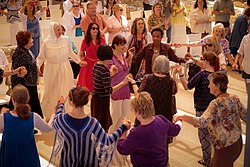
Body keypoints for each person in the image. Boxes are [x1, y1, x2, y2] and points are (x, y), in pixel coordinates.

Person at [174, 71, 246, 167]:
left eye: (210, 83)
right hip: (236, 143)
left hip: (224, 146)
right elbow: (245, 116)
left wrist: (182, 116)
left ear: (217, 85)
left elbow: (202, 122)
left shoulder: (215, 103)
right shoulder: (234, 98)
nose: (208, 86)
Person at [50, 86, 131, 167]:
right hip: (89, 162)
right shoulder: (92, 122)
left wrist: (61, 104)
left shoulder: (61, 119)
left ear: (71, 102)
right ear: (86, 101)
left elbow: (55, 119)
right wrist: (123, 127)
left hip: (67, 161)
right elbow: (107, 140)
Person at [173, 51, 220, 166]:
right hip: (217, 109)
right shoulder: (219, 74)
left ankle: (207, 160)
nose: (200, 61)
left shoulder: (202, 75)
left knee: (204, 136)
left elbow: (186, 86)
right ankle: (217, 160)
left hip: (202, 108)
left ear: (207, 62)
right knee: (215, 135)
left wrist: (181, 74)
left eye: (202, 59)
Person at [117, 91, 182, 166]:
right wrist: (180, 119)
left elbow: (123, 149)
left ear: (138, 112)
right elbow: (176, 130)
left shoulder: (137, 133)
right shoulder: (161, 120)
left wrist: (124, 129)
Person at [37, 22, 84, 121]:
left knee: (66, 89)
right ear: (52, 31)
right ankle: (50, 114)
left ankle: (67, 112)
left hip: (65, 68)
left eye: (61, 29)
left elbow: (71, 53)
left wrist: (79, 62)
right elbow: (41, 58)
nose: (60, 32)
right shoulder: (46, 42)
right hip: (51, 69)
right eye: (58, 30)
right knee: (51, 91)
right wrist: (37, 66)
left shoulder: (66, 40)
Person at [0, 85, 53, 167]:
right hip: (27, 154)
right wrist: (54, 115)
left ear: (12, 100)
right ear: (28, 99)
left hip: (9, 154)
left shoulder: (4, 117)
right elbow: (48, 129)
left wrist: (2, 113)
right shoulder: (34, 116)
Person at [91, 44, 130, 132]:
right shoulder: (104, 70)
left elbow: (100, 80)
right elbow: (108, 90)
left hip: (95, 97)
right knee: (103, 123)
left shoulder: (96, 65)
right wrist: (122, 83)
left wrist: (110, 73)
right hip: (102, 100)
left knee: (97, 121)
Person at [107, 35, 130, 166]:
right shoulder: (111, 59)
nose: (124, 47)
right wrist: (112, 71)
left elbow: (125, 69)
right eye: (121, 44)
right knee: (115, 117)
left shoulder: (123, 56)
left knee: (124, 115)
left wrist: (129, 58)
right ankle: (110, 139)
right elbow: (109, 73)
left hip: (125, 89)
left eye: (124, 44)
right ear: (115, 45)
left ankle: (122, 140)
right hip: (116, 89)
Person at [10, 31, 43, 118]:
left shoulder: (25, 50)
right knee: (27, 106)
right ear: (25, 41)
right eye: (30, 39)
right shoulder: (20, 53)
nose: (32, 40)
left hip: (29, 83)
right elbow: (20, 72)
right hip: (25, 85)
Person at [77, 23, 106, 93]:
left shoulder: (102, 40)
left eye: (97, 28)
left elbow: (105, 52)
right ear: (89, 30)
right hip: (88, 64)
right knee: (86, 86)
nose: (95, 30)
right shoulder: (85, 41)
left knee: (97, 85)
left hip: (99, 64)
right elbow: (81, 54)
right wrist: (82, 61)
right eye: (93, 28)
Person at [126, 17, 152, 84]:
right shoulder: (131, 37)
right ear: (135, 25)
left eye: (142, 24)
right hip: (134, 62)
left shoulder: (148, 36)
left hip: (144, 61)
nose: (141, 25)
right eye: (139, 24)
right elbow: (125, 47)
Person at [232, 23, 250, 93]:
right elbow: (240, 52)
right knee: (248, 88)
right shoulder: (245, 38)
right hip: (246, 68)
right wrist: (235, 63)